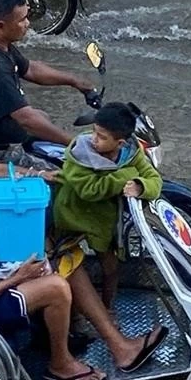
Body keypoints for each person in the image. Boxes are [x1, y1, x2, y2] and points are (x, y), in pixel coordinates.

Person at [0, 157, 168, 380]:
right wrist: (19, 278)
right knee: (56, 288)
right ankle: (61, 364)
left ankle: (119, 346)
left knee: (65, 257)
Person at [0, 0, 96, 158]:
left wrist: (75, 81)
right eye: (22, 19)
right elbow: (26, 120)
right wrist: (74, 142)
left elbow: (30, 69)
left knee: (42, 116)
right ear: (0, 26)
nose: (28, 24)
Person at [53, 103, 162, 311]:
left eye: (102, 137)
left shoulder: (131, 154)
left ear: (120, 143)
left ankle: (107, 307)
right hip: (72, 215)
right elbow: (89, 189)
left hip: (103, 222)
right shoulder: (79, 152)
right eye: (94, 132)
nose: (94, 139)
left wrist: (140, 186)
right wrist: (127, 176)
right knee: (63, 263)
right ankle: (71, 311)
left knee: (111, 268)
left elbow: (154, 180)